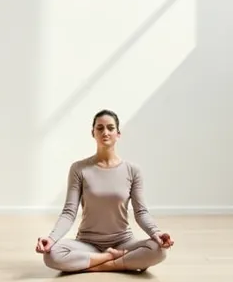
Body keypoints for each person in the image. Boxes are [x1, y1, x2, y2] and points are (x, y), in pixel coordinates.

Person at [34, 109, 174, 273]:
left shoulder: (133, 170)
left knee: (158, 250)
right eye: (99, 128)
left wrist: (156, 233)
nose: (105, 132)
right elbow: (69, 212)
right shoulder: (79, 169)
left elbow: (141, 212)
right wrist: (51, 239)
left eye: (110, 128)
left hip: (123, 242)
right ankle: (115, 259)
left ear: (118, 134)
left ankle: (94, 265)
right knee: (52, 255)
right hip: (87, 244)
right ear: (93, 133)